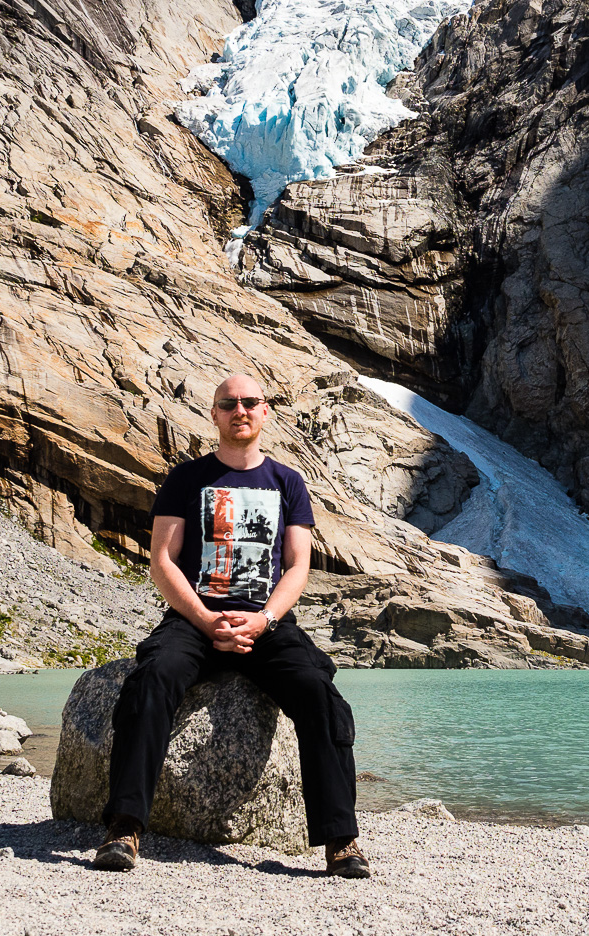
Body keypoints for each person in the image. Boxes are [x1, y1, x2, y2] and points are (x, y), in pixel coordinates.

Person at [94, 373, 369, 878]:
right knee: (150, 683)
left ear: (265, 412)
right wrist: (202, 617)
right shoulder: (185, 479)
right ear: (215, 415)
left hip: (264, 621)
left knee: (319, 694)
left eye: (250, 402)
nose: (240, 410)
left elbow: (297, 566)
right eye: (229, 404)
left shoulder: (287, 482)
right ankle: (124, 828)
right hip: (193, 619)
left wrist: (263, 619)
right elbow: (162, 560)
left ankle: (340, 840)